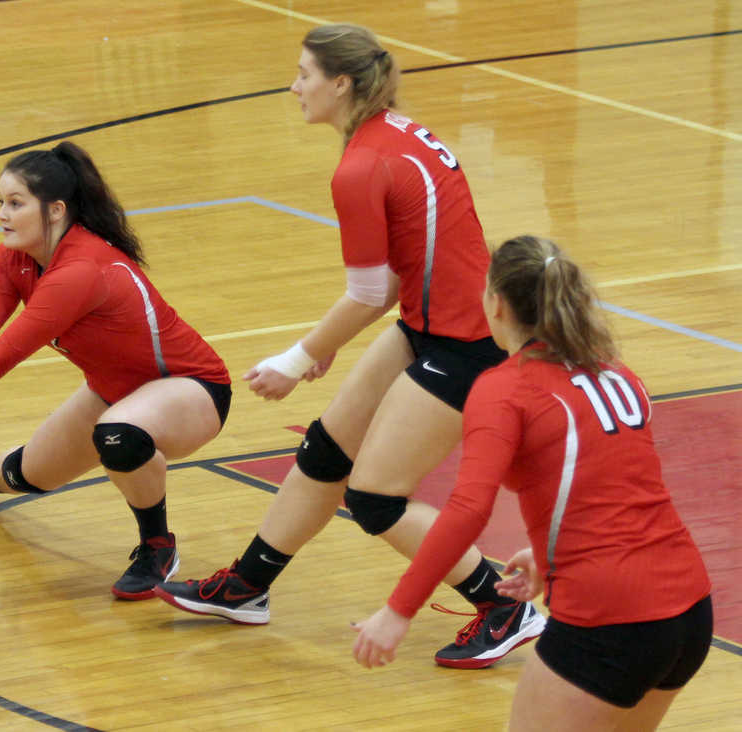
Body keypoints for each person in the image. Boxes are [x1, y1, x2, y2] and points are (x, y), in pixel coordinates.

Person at [155, 23, 545, 668]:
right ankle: (248, 586)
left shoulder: (362, 165)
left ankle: (503, 604)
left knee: (375, 498)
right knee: (327, 448)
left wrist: (299, 357)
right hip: (433, 320)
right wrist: (331, 341)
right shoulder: (397, 132)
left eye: (304, 74)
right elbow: (395, 273)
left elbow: (368, 292)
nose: (294, 86)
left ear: (340, 83)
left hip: (468, 342)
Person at [352, 235, 713, 730]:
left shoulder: (504, 388)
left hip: (606, 619)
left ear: (495, 303)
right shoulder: (616, 372)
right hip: (688, 613)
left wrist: (398, 611)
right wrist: (548, 556)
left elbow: (467, 510)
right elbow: (614, 494)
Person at [0, 141, 232, 601]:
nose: (2, 214)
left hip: (191, 390)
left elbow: (0, 357)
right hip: (113, 393)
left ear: (56, 209)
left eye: (15, 203)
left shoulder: (81, 270)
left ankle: (157, 547)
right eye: (0, 203)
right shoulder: (12, 260)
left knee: (119, 434)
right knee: (31, 474)